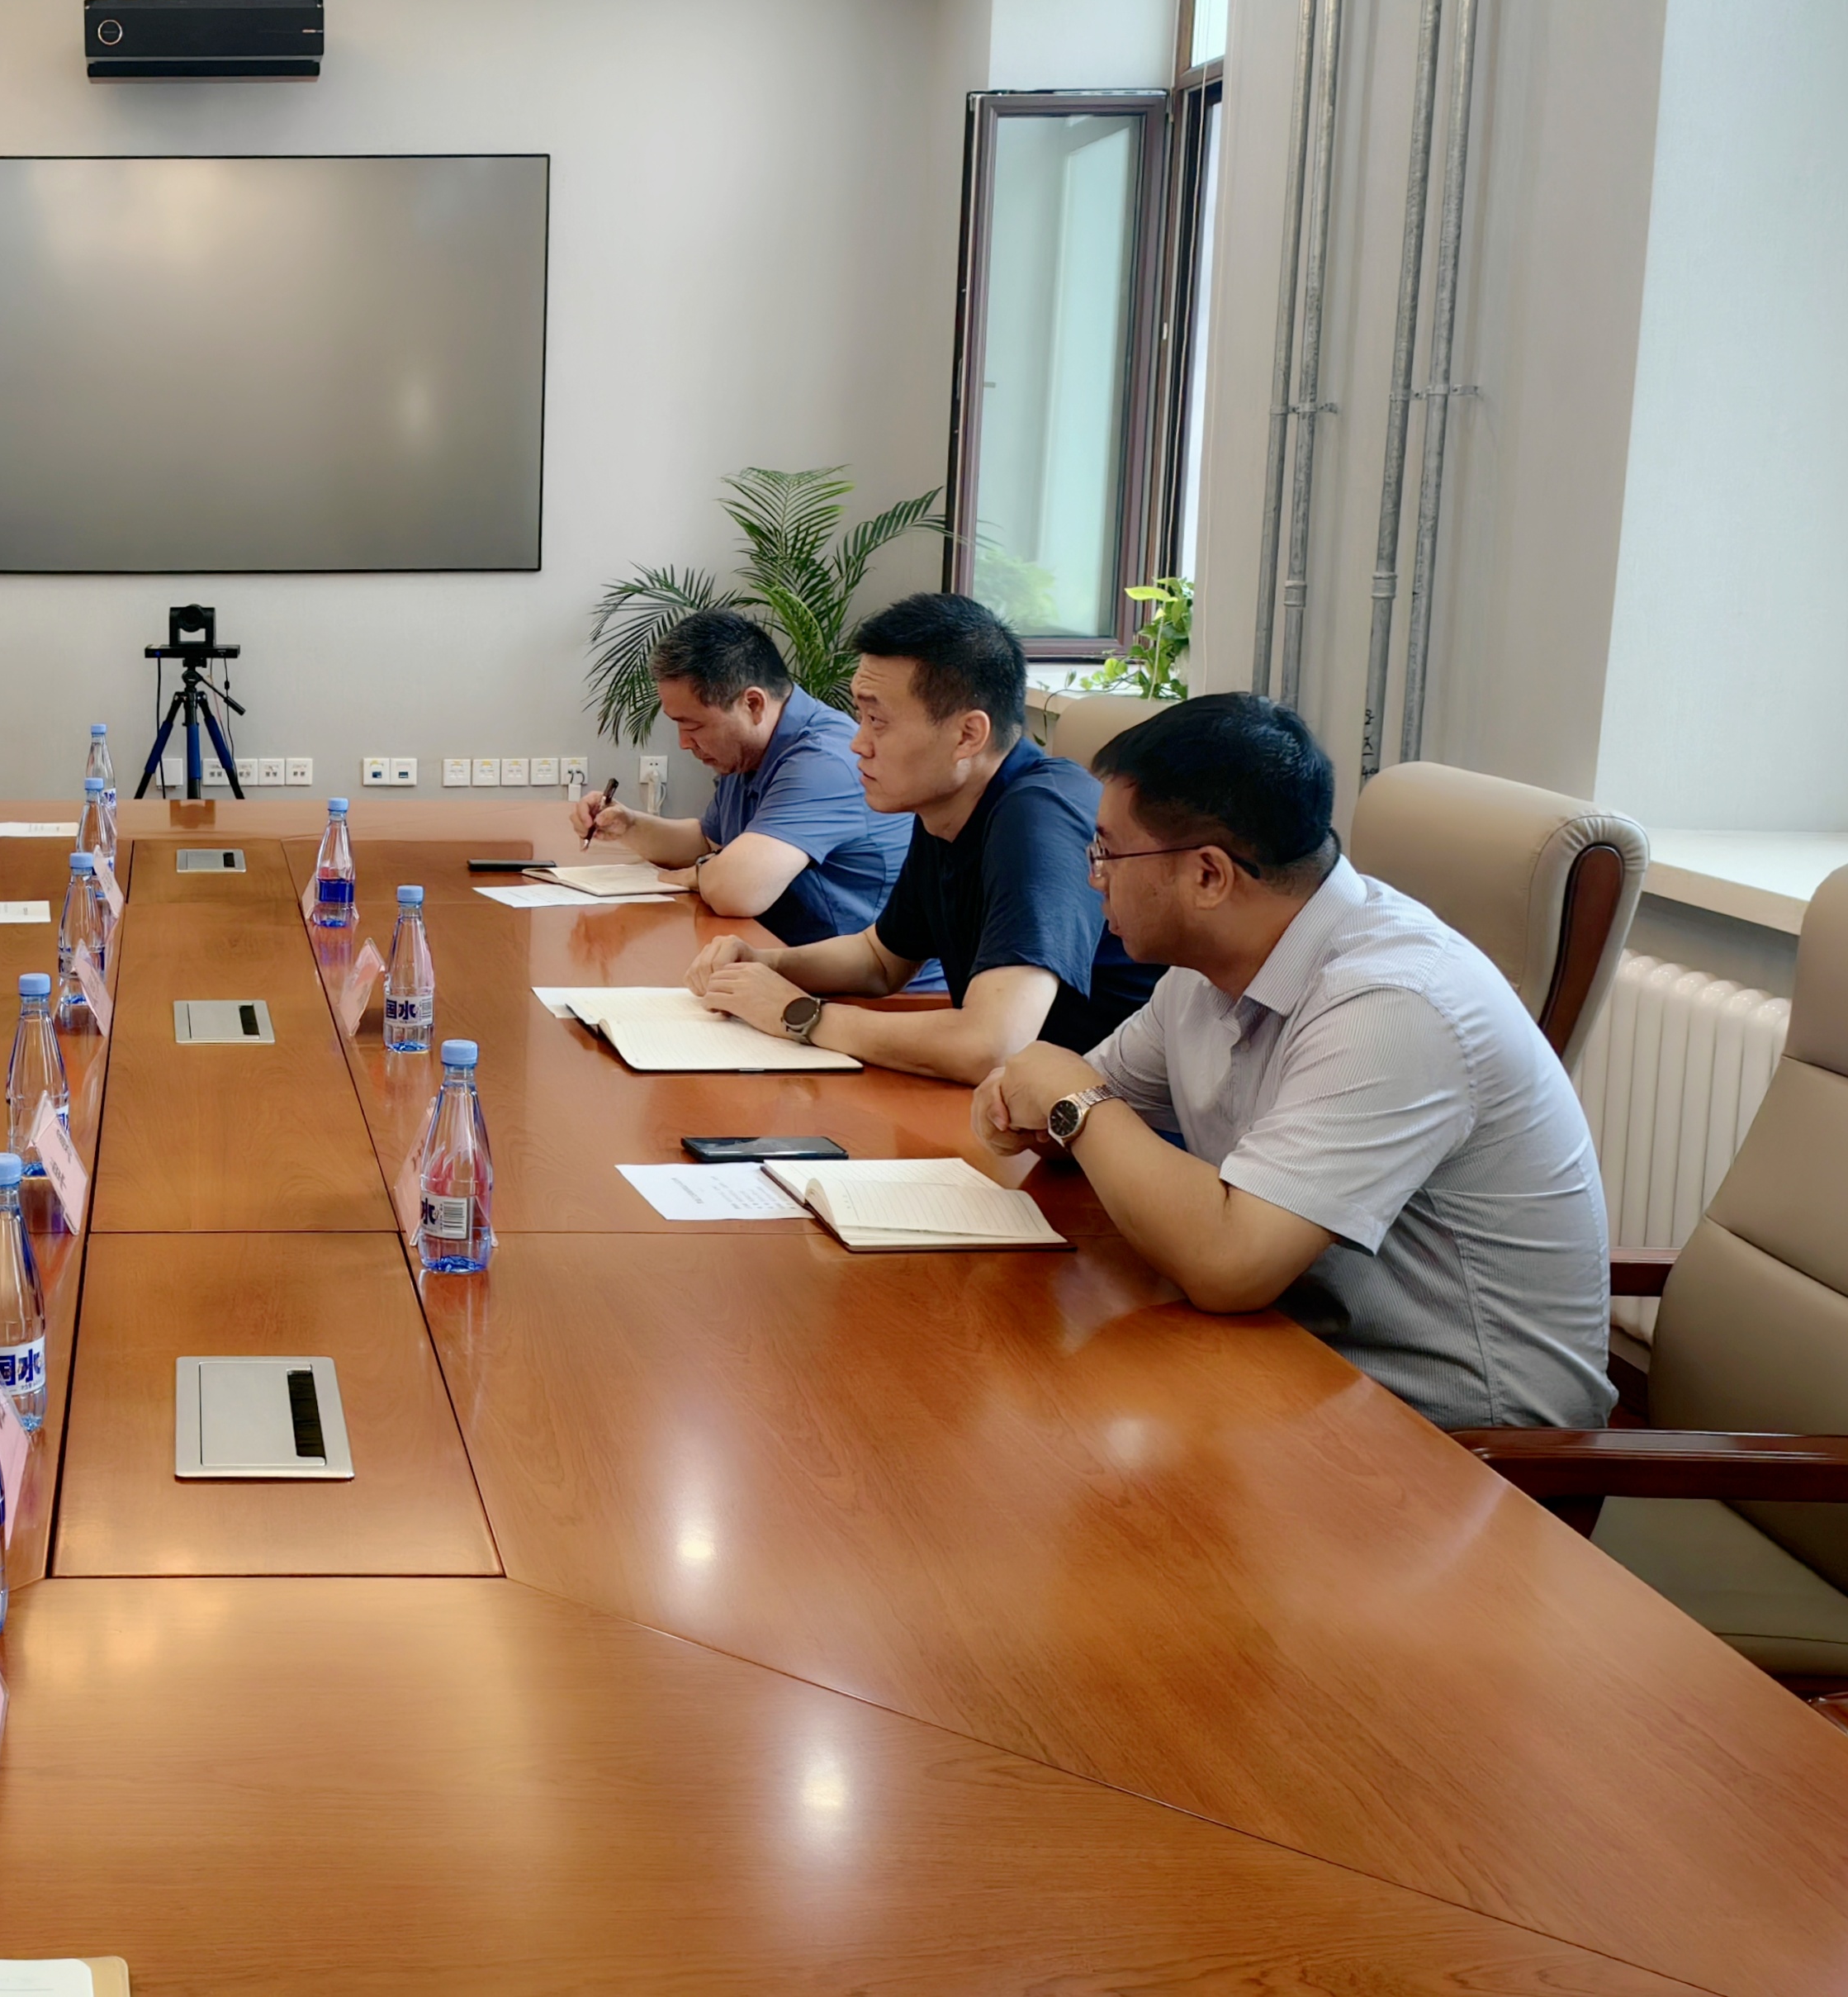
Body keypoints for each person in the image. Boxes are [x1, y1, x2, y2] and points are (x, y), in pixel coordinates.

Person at [972, 695, 1614, 1431]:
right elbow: (1056, 1109)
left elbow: (1229, 1263)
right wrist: (1041, 1106)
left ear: (1209, 876)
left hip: (1459, 1444)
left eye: (1109, 853)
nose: (1094, 878)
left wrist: (1073, 1099)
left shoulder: (1394, 1001)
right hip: (1293, 1363)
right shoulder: (1204, 971)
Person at [685, 592, 1156, 1081]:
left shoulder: (1040, 817)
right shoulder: (947, 806)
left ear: (968, 736)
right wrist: (764, 964)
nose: (858, 743)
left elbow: (991, 1045)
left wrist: (800, 1014)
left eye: (878, 721)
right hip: (1018, 1102)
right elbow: (880, 959)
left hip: (1111, 1109)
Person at [566, 609, 919, 956]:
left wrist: (700, 872)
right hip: (790, 956)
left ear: (752, 704)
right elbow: (707, 841)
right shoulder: (749, 752)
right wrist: (629, 824)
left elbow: (737, 890)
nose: (684, 743)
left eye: (694, 726)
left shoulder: (824, 761)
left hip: (869, 982)